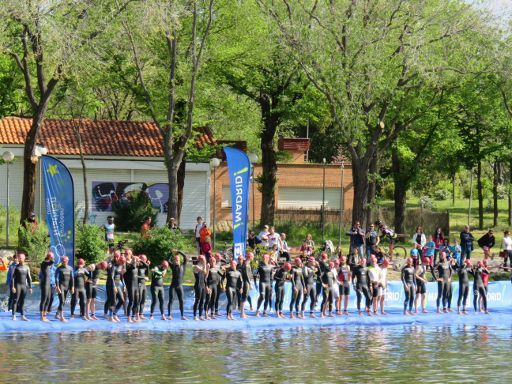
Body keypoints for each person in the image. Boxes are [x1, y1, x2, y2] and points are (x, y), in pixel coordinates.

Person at [11, 253, 32, 321]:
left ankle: (22, 316)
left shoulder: (27, 267)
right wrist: (13, 287)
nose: (19, 259)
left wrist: (30, 287)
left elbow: (29, 278)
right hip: (17, 285)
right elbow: (13, 278)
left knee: (22, 301)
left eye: (21, 257)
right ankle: (14, 315)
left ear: (24, 258)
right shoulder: (16, 267)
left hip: (24, 286)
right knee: (15, 300)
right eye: (19, 257)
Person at [168, 251, 187, 320]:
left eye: (177, 259)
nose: (176, 260)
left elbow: (185, 257)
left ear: (179, 260)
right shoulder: (173, 266)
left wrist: (179, 252)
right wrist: (171, 253)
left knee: (181, 300)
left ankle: (182, 315)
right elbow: (168, 259)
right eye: (175, 259)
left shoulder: (183, 266)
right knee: (171, 300)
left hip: (179, 286)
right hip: (173, 286)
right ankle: (169, 315)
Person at [55, 256, 74, 322]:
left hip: (67, 286)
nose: (64, 262)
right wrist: (57, 287)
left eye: (65, 260)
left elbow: (72, 278)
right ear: (62, 261)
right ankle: (61, 317)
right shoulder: (59, 268)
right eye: (63, 261)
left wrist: (72, 287)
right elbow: (56, 278)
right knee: (62, 301)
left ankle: (57, 314)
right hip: (61, 286)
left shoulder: (70, 268)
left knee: (63, 302)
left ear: (68, 261)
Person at [124, 253, 140, 323]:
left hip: (136, 285)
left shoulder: (135, 264)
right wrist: (134, 260)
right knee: (131, 301)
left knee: (136, 301)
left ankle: (133, 316)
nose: (128, 255)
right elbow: (132, 267)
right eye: (127, 254)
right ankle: (128, 317)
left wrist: (137, 260)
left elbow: (145, 266)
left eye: (129, 254)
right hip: (130, 285)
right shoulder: (126, 264)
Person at [39, 251, 55, 322]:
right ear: (48, 256)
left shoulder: (48, 265)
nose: (52, 257)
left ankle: (45, 316)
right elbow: (51, 262)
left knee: (48, 299)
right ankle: (42, 317)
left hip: (49, 283)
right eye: (51, 256)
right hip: (44, 283)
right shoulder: (44, 263)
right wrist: (51, 257)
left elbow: (51, 263)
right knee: (44, 299)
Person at [193, 255, 209, 321]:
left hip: (202, 285)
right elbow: (203, 271)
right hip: (198, 285)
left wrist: (206, 286)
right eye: (203, 259)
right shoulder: (196, 266)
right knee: (198, 300)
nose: (204, 260)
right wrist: (205, 264)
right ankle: (195, 315)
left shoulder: (203, 267)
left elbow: (206, 276)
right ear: (200, 260)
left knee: (202, 300)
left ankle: (200, 315)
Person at [239, 252, 254, 318]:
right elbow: (247, 275)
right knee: (244, 297)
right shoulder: (246, 264)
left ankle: (243, 313)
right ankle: (242, 313)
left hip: (246, 282)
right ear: (250, 257)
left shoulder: (246, 263)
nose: (253, 257)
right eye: (252, 256)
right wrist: (250, 284)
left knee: (245, 297)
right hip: (246, 282)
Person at [137, 254, 150, 320]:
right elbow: (135, 276)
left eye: (145, 259)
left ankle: (141, 314)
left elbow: (147, 274)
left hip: (143, 284)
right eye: (143, 259)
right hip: (138, 284)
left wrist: (148, 266)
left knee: (143, 300)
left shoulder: (144, 267)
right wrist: (143, 277)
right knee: (139, 300)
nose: (145, 260)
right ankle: (137, 314)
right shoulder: (137, 266)